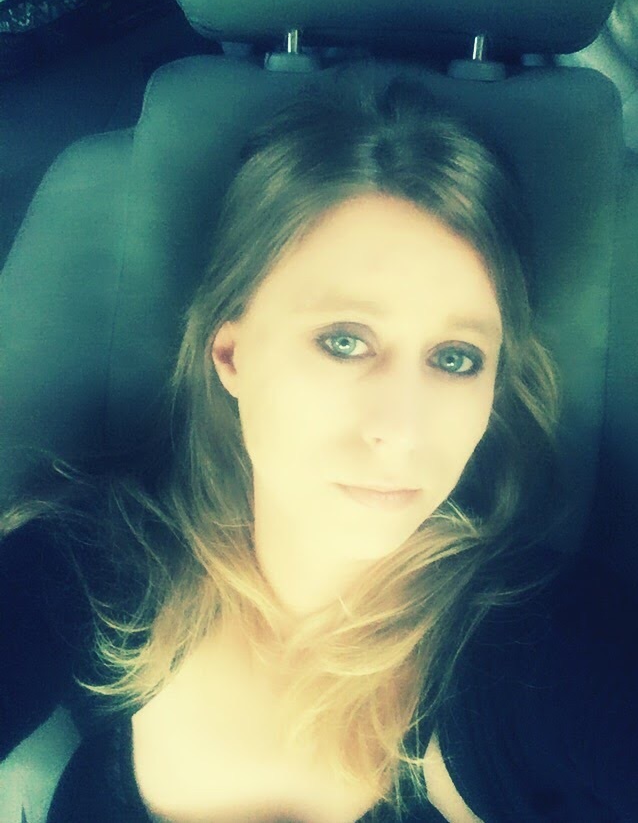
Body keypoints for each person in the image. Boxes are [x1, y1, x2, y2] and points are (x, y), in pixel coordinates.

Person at [1, 68, 637, 823]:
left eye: (455, 358)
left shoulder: (550, 647)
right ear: (232, 353)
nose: (403, 429)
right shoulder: (91, 568)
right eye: (344, 341)